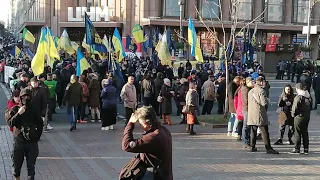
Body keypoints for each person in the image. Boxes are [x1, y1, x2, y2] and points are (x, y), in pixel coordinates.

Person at [120, 106, 173, 180]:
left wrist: (130, 124)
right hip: (164, 175)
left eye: (140, 123)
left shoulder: (152, 137)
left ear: (145, 123)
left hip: (155, 176)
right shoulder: (163, 130)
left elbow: (126, 146)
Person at [5, 88, 43, 180]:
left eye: (27, 96)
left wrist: (36, 137)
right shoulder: (15, 109)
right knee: (16, 167)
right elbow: (10, 123)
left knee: (31, 168)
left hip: (31, 142)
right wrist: (18, 113)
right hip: (19, 141)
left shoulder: (34, 109)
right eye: (23, 96)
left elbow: (40, 124)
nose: (25, 98)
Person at [247, 77, 279, 154]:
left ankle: (252, 146)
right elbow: (263, 103)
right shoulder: (261, 91)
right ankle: (268, 148)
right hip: (259, 113)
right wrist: (267, 100)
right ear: (261, 82)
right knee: (264, 131)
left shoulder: (250, 91)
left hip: (251, 114)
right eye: (264, 82)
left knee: (253, 131)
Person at [290, 83, 312, 155]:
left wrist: (293, 114)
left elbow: (295, 108)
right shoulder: (308, 96)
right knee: (305, 132)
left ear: (297, 89)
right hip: (307, 116)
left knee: (298, 132)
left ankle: (297, 148)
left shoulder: (298, 97)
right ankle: (306, 149)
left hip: (299, 117)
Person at [241, 77, 254, 148]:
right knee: (246, 126)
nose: (253, 83)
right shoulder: (245, 90)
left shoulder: (248, 89)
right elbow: (246, 101)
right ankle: (246, 141)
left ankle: (247, 140)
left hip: (248, 109)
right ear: (247, 82)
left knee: (248, 126)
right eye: (252, 82)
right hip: (247, 110)